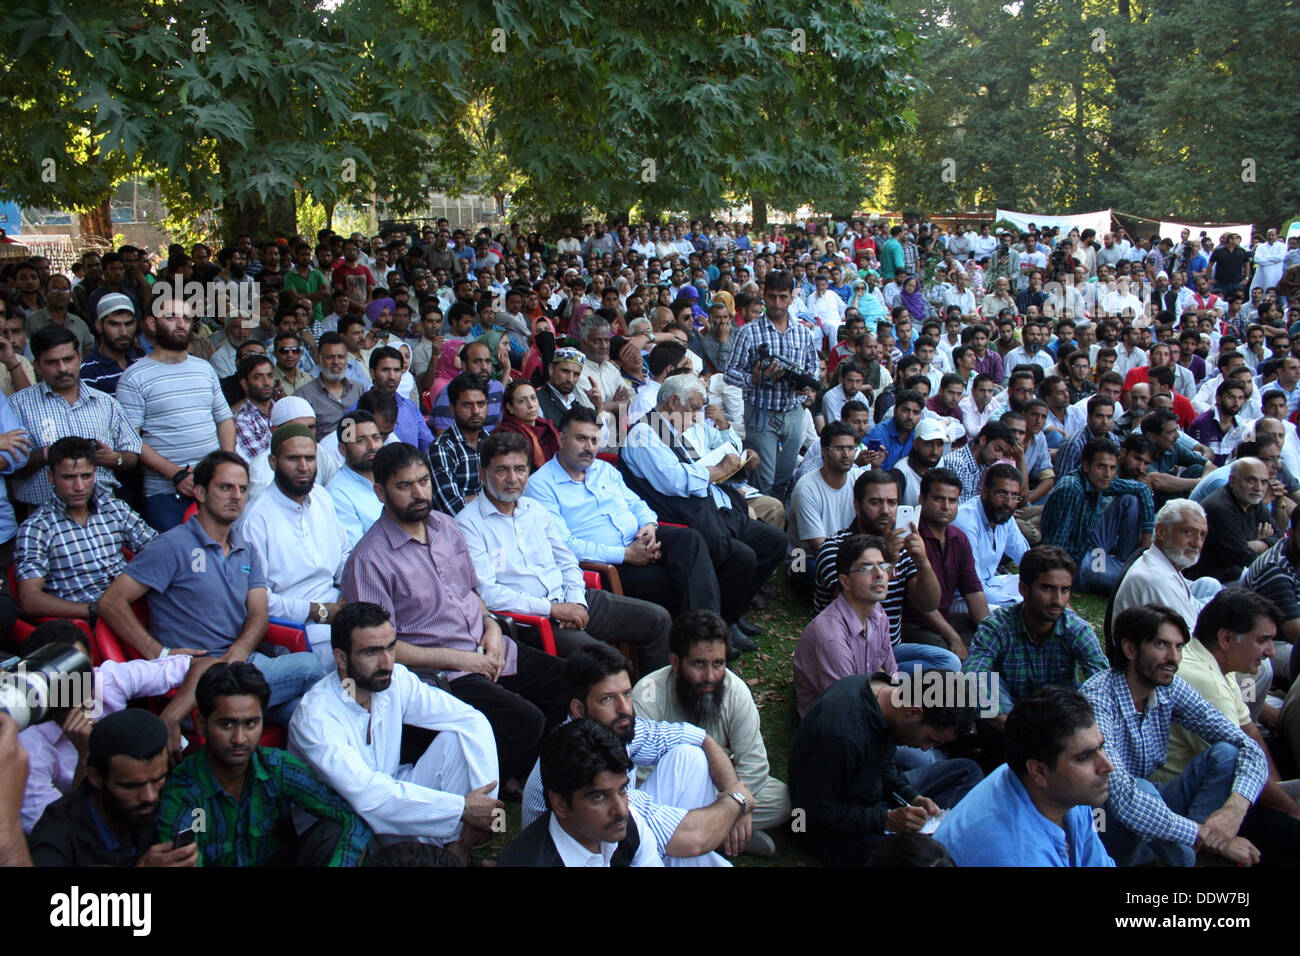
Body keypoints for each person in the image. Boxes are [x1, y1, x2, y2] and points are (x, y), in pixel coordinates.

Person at [340, 442, 567, 794]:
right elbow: (382, 649)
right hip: (438, 672)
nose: (419, 493)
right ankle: (478, 793)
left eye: (424, 481)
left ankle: (526, 777)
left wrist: (491, 627)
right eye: (404, 486)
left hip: (486, 646)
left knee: (563, 682)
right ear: (380, 492)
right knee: (524, 720)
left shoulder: (445, 526)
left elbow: (471, 593)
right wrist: (464, 660)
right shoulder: (371, 560)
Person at [97, 450, 325, 724]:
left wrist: (241, 650)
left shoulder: (247, 551)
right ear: (201, 493)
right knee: (312, 665)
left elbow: (258, 614)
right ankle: (199, 712)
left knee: (305, 713)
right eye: (226, 487)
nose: (236, 496)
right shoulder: (172, 545)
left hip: (246, 665)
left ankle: (232, 728)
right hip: (195, 674)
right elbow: (110, 602)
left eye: (242, 489)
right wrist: (159, 653)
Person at [288, 602, 500, 863]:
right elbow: (367, 796)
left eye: (390, 647)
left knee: (457, 739)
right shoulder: (316, 716)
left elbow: (471, 720)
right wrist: (462, 810)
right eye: (371, 652)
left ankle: (455, 849)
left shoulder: (395, 680)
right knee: (372, 808)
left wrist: (485, 808)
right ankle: (444, 855)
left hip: (392, 806)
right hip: (342, 827)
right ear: (341, 658)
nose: (387, 662)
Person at [454, 430, 672, 672]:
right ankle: (619, 705)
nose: (512, 478)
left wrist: (576, 601)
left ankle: (650, 702)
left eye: (520, 469)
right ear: (483, 475)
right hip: (533, 621)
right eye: (502, 470)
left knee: (657, 619)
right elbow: (489, 594)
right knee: (607, 663)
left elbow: (567, 561)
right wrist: (553, 610)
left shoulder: (534, 509)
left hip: (572, 598)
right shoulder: (467, 525)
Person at [521, 644, 755, 864]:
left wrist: (731, 790)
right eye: (607, 699)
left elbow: (699, 737)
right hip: (583, 853)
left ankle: (711, 834)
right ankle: (709, 835)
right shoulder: (577, 758)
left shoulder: (616, 727)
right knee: (690, 841)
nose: (624, 708)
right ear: (579, 709)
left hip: (616, 832)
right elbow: (694, 840)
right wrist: (738, 799)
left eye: (627, 694)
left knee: (689, 756)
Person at [1083, 604, 1266, 866]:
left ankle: (1193, 852)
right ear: (1131, 649)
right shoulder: (1098, 698)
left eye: (1179, 647)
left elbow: (1248, 746)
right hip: (1101, 825)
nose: (1174, 657)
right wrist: (1205, 834)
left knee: (1228, 754)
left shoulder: (1169, 687)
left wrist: (1234, 809)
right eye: (1161, 645)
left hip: (1154, 817)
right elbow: (1121, 796)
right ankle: (1193, 856)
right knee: (1141, 789)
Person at [155, 662, 373, 866]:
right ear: (202, 725)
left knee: (332, 832)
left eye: (251, 723)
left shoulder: (275, 767)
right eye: (227, 724)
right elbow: (182, 860)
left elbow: (350, 816)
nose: (239, 738)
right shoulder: (184, 792)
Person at [620, 373, 785, 633]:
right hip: (680, 518)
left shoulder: (672, 428)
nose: (698, 416)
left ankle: (733, 613)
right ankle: (723, 624)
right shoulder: (643, 433)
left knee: (774, 541)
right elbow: (673, 481)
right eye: (694, 409)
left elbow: (705, 456)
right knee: (742, 557)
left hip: (711, 509)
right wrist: (715, 470)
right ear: (674, 402)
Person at [525, 406, 720, 621]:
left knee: (690, 540)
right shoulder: (541, 485)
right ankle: (697, 636)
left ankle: (707, 631)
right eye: (581, 438)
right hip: (608, 564)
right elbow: (564, 545)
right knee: (671, 581)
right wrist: (626, 554)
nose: (589, 447)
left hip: (639, 541)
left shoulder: (604, 470)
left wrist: (650, 526)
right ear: (561, 440)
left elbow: (637, 504)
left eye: (594, 440)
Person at [1157, 589, 1300, 862]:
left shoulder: (1219, 665)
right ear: (1225, 639)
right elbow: (1241, 764)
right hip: (1187, 799)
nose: (1271, 651)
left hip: (1221, 777)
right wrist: (1292, 811)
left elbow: (1250, 732)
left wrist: (1282, 792)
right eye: (1263, 640)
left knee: (1274, 752)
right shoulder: (1206, 681)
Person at [17, 620, 200, 832]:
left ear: (91, 662)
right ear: (34, 678)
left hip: (150, 812)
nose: (73, 683)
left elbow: (202, 666)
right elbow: (53, 832)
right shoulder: (26, 747)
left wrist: (170, 718)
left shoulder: (105, 679)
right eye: (60, 674)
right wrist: (86, 753)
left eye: (79, 668)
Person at [632, 609, 791, 851]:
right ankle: (725, 835)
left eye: (718, 663)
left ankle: (708, 833)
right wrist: (731, 808)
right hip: (669, 797)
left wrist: (734, 805)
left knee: (781, 799)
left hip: (723, 791)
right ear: (675, 662)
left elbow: (754, 765)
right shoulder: (648, 693)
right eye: (698, 664)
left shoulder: (735, 690)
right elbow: (641, 777)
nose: (710, 676)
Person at [788, 670, 982, 867]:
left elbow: (885, 762)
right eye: (929, 739)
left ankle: (926, 833)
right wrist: (885, 820)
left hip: (871, 794)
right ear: (913, 712)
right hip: (830, 825)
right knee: (915, 861)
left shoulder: (887, 699)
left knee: (967, 771)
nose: (925, 748)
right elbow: (811, 811)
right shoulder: (840, 736)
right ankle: (927, 840)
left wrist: (912, 796)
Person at [935, 686, 1115, 867]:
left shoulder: (1064, 792)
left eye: (1101, 747)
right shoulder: (1017, 855)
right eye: (1084, 758)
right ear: (1039, 771)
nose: (1108, 766)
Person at [116, 295, 235, 531]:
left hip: (214, 486)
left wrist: (225, 464)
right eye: (171, 317)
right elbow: (132, 439)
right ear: (151, 323)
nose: (181, 324)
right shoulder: (134, 377)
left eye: (186, 318)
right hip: (166, 495)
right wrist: (176, 475)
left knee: (217, 558)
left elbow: (224, 420)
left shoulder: (204, 369)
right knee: (179, 562)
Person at [234, 423, 348, 665]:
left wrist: (351, 589)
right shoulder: (256, 519)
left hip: (339, 604)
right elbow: (256, 597)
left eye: (309, 458)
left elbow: (344, 554)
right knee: (353, 652)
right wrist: (315, 610)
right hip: (295, 625)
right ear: (273, 462)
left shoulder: (321, 497)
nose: (304, 467)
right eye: (293, 458)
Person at [28, 709, 198, 867]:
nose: (149, 797)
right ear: (95, 777)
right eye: (131, 786)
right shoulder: (56, 837)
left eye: (158, 779)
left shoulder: (166, 802)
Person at [14, 437, 156, 623]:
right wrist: (94, 609)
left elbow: (158, 550)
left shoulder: (115, 509)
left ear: (94, 474)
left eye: (86, 476)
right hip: (87, 621)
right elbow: (30, 600)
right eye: (68, 477)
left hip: (135, 605)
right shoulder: (36, 528)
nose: (79, 487)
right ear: (51, 476)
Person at [963, 545, 1107, 728]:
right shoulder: (997, 626)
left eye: (1065, 590)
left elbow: (1103, 682)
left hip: (1059, 715)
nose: (1058, 600)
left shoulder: (1076, 629)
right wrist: (1015, 728)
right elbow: (972, 675)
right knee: (986, 683)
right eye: (1048, 589)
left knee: (1088, 693)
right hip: (1010, 717)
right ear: (1023, 588)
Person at [497, 719, 662, 867]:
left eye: (622, 789)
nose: (622, 810)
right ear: (560, 804)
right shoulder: (531, 861)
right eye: (599, 797)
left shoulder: (630, 827)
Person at [9, 327, 140, 507]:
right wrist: (48, 454)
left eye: (68, 359)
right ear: (37, 366)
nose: (62, 368)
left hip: (104, 511)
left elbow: (132, 454)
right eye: (52, 362)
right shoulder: (18, 406)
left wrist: (115, 458)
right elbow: (11, 468)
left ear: (79, 357)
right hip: (43, 514)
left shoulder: (105, 403)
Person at [724, 271, 819, 500]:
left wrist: (807, 387)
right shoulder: (748, 331)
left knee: (785, 476)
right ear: (764, 296)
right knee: (763, 479)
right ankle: (765, 524)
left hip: (793, 410)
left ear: (791, 298)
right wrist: (754, 379)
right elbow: (729, 373)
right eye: (773, 296)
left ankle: (779, 523)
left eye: (783, 297)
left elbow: (812, 366)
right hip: (760, 410)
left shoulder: (802, 333)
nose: (777, 303)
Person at [795, 534, 898, 717]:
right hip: (840, 726)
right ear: (845, 582)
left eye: (883, 566)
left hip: (868, 700)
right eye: (865, 568)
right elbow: (849, 705)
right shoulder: (830, 636)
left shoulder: (878, 612)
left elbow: (891, 671)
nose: (879, 574)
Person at [1042, 438, 1154, 593]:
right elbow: (1055, 547)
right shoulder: (1071, 489)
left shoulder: (1098, 480)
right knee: (1134, 580)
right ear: (1087, 466)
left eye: (1112, 468)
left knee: (1130, 499)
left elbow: (1142, 489)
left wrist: (1147, 540)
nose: (1108, 474)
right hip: (1078, 562)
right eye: (1102, 467)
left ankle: (1127, 562)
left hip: (1093, 547)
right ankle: (1125, 569)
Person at [899, 468, 988, 655]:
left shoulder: (959, 538)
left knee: (990, 641)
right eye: (939, 499)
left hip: (947, 619)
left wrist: (991, 636)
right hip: (913, 625)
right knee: (950, 656)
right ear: (922, 499)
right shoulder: (911, 538)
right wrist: (954, 638)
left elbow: (973, 591)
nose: (946, 506)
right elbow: (922, 605)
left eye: (953, 500)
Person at [1112, 498, 1223, 632]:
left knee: (1211, 586)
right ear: (1161, 532)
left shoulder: (1165, 565)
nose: (1197, 543)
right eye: (1188, 532)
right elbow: (1189, 640)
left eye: (1202, 535)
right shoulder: (1156, 579)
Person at [1188, 457, 1280, 583]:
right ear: (1232, 480)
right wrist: (1257, 546)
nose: (1258, 488)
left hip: (1236, 573)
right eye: (1251, 480)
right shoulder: (1219, 508)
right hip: (1210, 580)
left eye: (1264, 482)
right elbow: (1243, 557)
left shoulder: (1253, 500)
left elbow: (1279, 537)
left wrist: (1256, 544)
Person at [951, 462, 1030, 609]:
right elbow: (972, 586)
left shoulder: (1004, 516)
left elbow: (1027, 559)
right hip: (964, 598)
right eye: (1001, 494)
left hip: (990, 584)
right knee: (1017, 612)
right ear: (985, 492)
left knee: (1038, 585)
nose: (1008, 502)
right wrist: (1019, 603)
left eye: (1014, 496)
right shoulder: (966, 521)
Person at [790, 422, 867, 555]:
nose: (846, 454)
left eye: (851, 448)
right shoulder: (806, 488)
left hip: (851, 554)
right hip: (804, 556)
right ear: (824, 452)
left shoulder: (860, 479)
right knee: (806, 570)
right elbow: (818, 547)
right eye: (838, 448)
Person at [429, 372, 488, 516]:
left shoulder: (490, 442)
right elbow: (453, 509)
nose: (475, 411)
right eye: (467, 405)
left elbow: (507, 496)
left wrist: (471, 499)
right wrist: (490, 501)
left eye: (481, 404)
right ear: (452, 408)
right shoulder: (441, 449)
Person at [326, 409, 385, 548]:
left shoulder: (390, 475)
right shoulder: (337, 494)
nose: (372, 447)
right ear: (342, 449)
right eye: (360, 441)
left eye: (376, 438)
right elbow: (357, 552)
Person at [357, 346, 432, 451]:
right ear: (372, 373)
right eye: (385, 370)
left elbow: (428, 444)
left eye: (397, 370)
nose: (392, 376)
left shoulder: (411, 407)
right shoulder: (358, 409)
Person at [296, 332, 366, 442]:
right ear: (320, 359)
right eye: (330, 357)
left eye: (341, 357)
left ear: (347, 359)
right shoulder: (303, 396)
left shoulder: (358, 389)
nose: (336, 362)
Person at [80, 294, 142, 396]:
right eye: (114, 324)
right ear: (99, 326)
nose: (123, 332)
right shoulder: (87, 371)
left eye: (128, 324)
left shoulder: (139, 363)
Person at [493, 379, 560, 471]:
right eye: (522, 401)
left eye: (533, 398)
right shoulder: (505, 435)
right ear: (510, 407)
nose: (531, 405)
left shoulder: (547, 426)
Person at [231, 353, 277, 463]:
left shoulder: (282, 410)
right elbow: (261, 461)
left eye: (269, 376)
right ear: (245, 384)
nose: (266, 382)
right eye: (258, 377)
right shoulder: (242, 419)